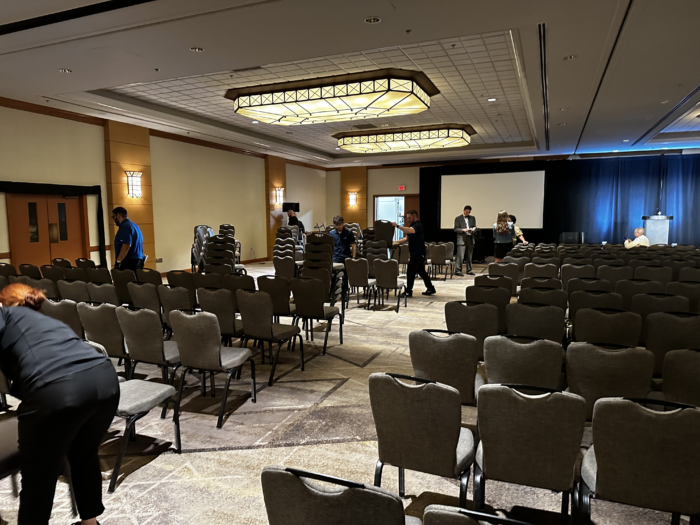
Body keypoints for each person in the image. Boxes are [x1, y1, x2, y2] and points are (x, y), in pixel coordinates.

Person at [0, 283, 120, 525]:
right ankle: (90, 523)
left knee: (38, 476)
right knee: (83, 455)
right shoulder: (45, 320)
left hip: (60, 389)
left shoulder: (5, 314)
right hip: (105, 381)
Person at [392, 210, 436, 296]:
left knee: (410, 271)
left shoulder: (418, 225)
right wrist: (394, 243)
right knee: (422, 272)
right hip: (414, 253)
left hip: (418, 253)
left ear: (415, 217)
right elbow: (406, 239)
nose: (408, 220)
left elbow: (410, 231)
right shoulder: (412, 226)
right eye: (407, 218)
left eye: (409, 218)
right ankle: (430, 288)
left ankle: (408, 291)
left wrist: (397, 226)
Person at [112, 206, 144, 271]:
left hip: (128, 262)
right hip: (137, 261)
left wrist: (118, 262)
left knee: (126, 280)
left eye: (113, 217)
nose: (114, 220)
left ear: (118, 216)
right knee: (135, 281)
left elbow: (126, 245)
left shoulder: (125, 227)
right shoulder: (134, 226)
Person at [453, 205, 477, 276]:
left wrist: (472, 230)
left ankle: (469, 270)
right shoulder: (458, 218)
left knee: (469, 256)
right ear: (463, 210)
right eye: (467, 212)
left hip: (470, 238)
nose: (468, 213)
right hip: (461, 239)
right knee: (460, 256)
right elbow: (456, 229)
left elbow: (475, 227)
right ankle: (458, 270)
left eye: (469, 212)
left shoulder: (472, 218)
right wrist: (463, 230)